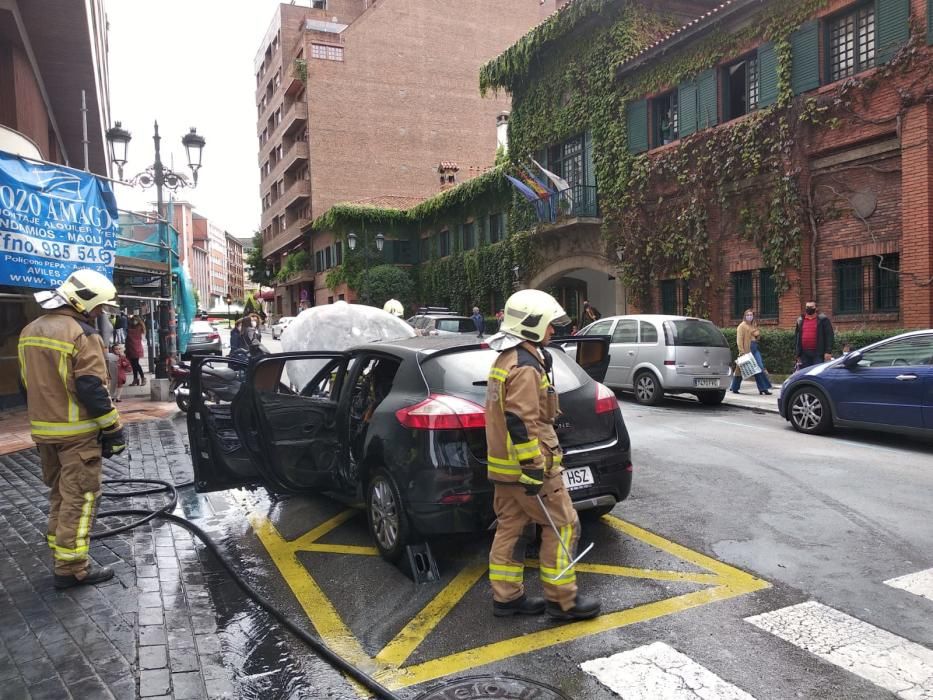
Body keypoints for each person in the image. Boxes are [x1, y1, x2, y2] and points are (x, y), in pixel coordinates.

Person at [484, 289, 600, 621]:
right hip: (530, 470)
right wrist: (534, 467)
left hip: (504, 471)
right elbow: (521, 421)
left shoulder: (505, 359)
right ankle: (563, 601)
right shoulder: (524, 365)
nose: (553, 331)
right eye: (549, 325)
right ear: (531, 324)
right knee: (564, 526)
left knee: (511, 527)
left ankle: (506, 599)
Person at [18, 269, 125, 588]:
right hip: (77, 435)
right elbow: (92, 388)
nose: (100, 313)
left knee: (60, 495)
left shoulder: (30, 330)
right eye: (100, 306)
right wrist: (113, 430)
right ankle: (72, 568)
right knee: (80, 497)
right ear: (85, 302)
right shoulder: (82, 334)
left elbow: (26, 385)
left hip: (45, 433)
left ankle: (59, 549)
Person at [729, 309, 772, 395]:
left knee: (759, 366)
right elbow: (739, 340)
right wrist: (741, 351)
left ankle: (763, 388)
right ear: (745, 316)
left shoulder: (754, 325)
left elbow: (757, 336)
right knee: (740, 369)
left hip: (754, 348)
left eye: (751, 315)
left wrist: (757, 335)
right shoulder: (741, 326)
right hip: (746, 349)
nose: (749, 316)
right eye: (748, 315)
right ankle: (734, 387)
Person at [794, 300, 834, 369]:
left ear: (816, 308)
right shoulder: (800, 320)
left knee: (817, 372)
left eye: (811, 307)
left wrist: (828, 351)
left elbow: (829, 336)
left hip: (818, 354)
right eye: (807, 307)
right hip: (804, 354)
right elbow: (797, 337)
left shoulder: (823, 320)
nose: (809, 308)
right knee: (805, 374)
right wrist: (798, 353)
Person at [126, 315, 146, 386]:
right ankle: (135, 379)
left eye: (135, 320)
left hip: (136, 348)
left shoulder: (139, 327)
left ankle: (143, 378)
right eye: (133, 320)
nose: (134, 321)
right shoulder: (131, 327)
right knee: (133, 365)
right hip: (130, 348)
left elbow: (131, 333)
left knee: (136, 364)